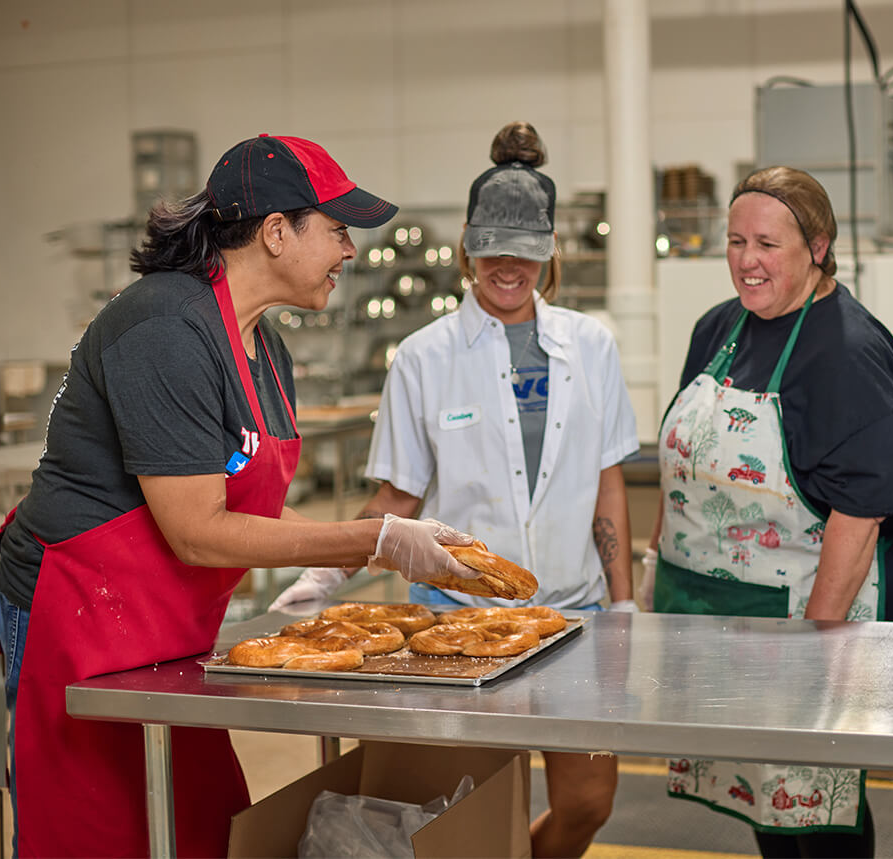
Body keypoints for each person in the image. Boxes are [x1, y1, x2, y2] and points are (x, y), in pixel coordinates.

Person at [0, 134, 485, 858]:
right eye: (337, 230)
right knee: (93, 826)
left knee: (198, 819)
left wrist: (337, 563)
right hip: (77, 607)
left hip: (164, 629)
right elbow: (195, 531)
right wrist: (372, 540)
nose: (350, 252)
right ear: (277, 232)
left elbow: (252, 506)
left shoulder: (264, 347)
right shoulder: (165, 328)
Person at [270, 121, 637, 858]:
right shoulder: (423, 358)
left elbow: (609, 484)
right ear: (468, 247)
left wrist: (624, 603)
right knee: (473, 816)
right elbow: (396, 498)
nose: (508, 266)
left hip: (576, 615)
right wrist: (319, 576)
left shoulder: (591, 345)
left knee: (589, 802)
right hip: (459, 626)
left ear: (549, 250)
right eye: (492, 248)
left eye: (526, 250)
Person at [650, 166, 893, 858]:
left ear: (818, 247)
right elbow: (680, 465)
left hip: (804, 616)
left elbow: (858, 527)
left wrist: (812, 652)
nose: (746, 260)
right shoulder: (720, 328)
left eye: (767, 243)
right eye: (736, 241)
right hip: (713, 612)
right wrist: (655, 584)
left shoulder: (849, 354)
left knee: (815, 803)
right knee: (763, 797)